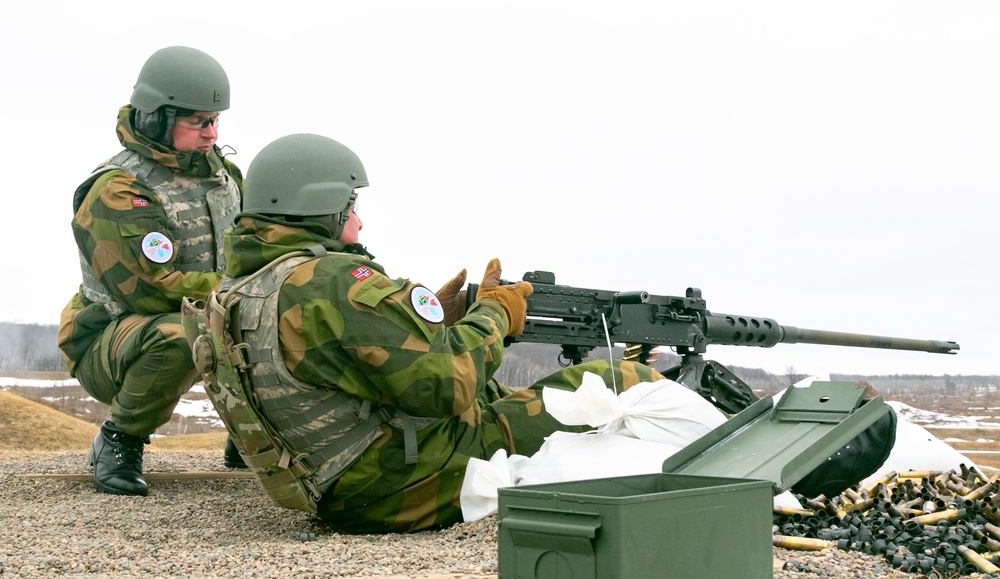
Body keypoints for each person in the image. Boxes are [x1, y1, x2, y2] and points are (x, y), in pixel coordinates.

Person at [208, 132, 664, 533]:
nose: (359, 221)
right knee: (618, 381)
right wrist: (495, 314)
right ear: (320, 207)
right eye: (351, 206)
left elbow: (341, 363)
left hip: (337, 481)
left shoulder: (245, 287)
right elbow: (448, 384)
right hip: (401, 484)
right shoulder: (328, 282)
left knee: (501, 391)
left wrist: (435, 324)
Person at [57, 46, 244, 496]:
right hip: (114, 337)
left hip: (204, 314)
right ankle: (119, 441)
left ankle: (252, 438)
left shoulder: (225, 178)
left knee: (279, 315)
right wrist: (241, 292)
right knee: (181, 334)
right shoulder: (119, 189)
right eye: (199, 122)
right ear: (159, 117)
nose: (211, 134)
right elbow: (146, 290)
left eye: (215, 121)